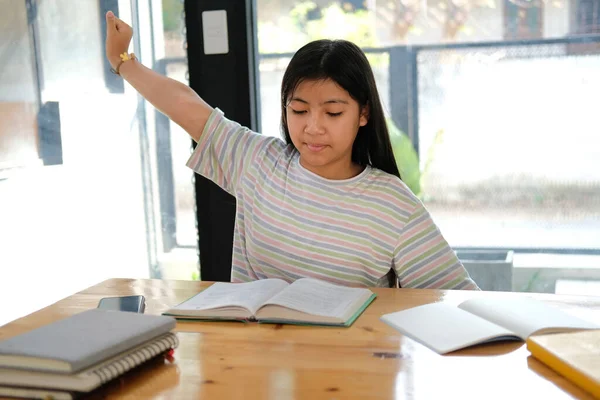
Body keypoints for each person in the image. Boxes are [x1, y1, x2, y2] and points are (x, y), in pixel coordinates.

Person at [104, 11, 478, 290]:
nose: (312, 126)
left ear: (363, 113)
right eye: (298, 110)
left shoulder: (393, 204)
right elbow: (186, 105)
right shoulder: (257, 162)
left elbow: (453, 297)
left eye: (332, 112)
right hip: (257, 367)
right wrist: (124, 62)